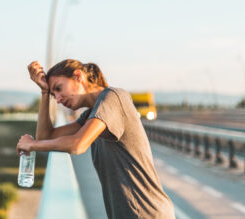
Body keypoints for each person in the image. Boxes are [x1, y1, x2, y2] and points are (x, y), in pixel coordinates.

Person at [17, 59, 175, 219]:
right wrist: (44, 92)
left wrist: (33, 145)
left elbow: (78, 144)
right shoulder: (91, 115)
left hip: (146, 214)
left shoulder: (113, 98)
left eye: (58, 88)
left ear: (78, 76)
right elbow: (46, 136)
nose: (57, 99)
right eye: (53, 95)